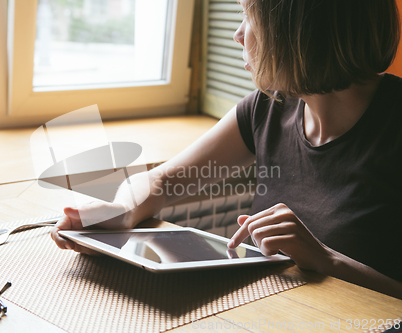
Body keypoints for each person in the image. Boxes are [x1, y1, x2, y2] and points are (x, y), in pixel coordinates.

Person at [52, 0, 402, 299]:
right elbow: (162, 181)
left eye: (251, 17)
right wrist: (121, 211)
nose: (238, 35)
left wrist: (328, 261)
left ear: (301, 32)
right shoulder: (268, 109)